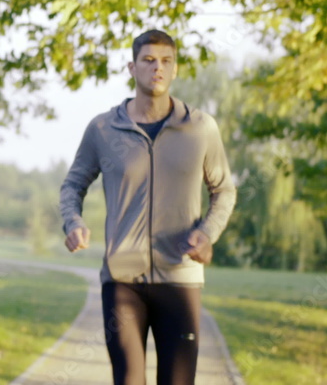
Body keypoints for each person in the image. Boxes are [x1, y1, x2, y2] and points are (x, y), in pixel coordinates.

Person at [59, 29, 237, 385]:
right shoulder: (104, 129)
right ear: (132, 67)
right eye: (149, 60)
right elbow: (73, 185)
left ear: (174, 70)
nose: (158, 68)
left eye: (166, 61)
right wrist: (72, 221)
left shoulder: (200, 128)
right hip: (123, 281)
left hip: (180, 279)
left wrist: (207, 233)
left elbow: (224, 190)